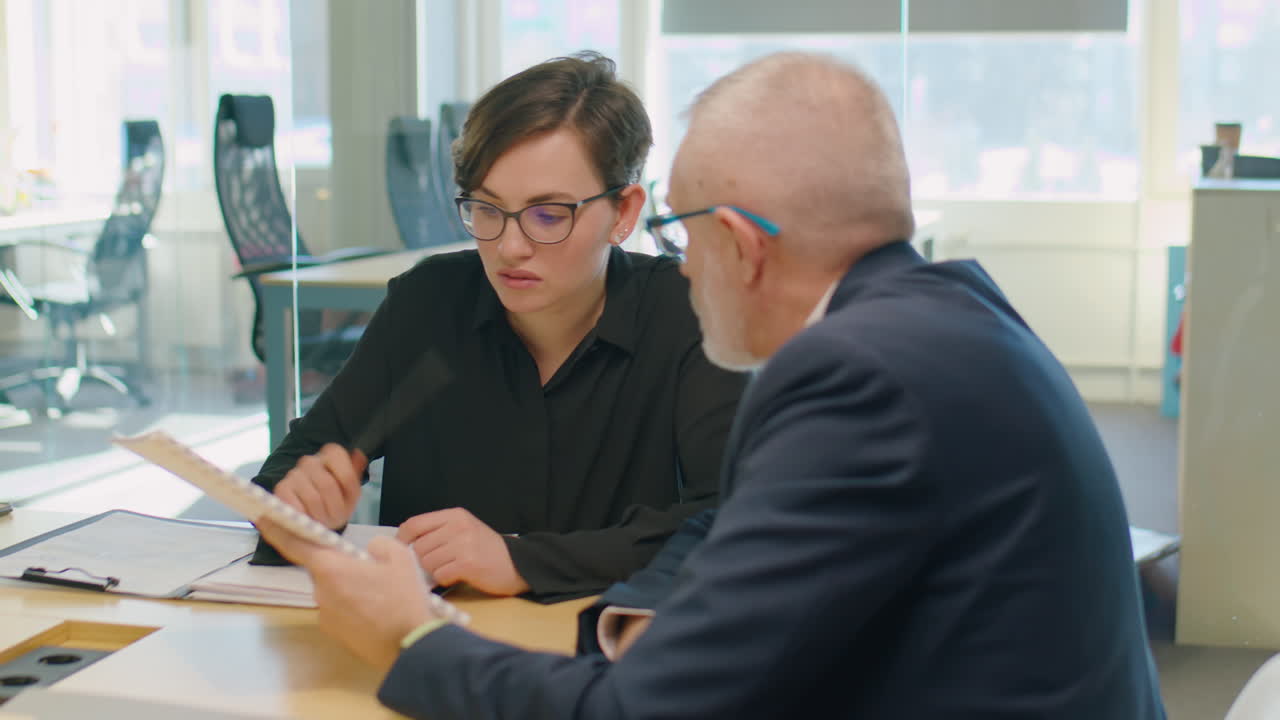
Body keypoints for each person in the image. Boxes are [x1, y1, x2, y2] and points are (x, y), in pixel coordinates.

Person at [257, 52, 1167, 719]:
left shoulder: (856, 380)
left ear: (742, 241)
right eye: (488, 211)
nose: (682, 267)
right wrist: (657, 627)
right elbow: (739, 562)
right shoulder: (950, 317)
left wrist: (410, 640)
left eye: (686, 234)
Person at [251, 52, 746, 601]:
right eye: (487, 209)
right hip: (419, 643)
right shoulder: (430, 302)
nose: (510, 247)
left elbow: (730, 519)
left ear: (624, 213)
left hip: (599, 649)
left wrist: (522, 562)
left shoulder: (683, 311)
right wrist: (298, 508)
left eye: (549, 215)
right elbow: (288, 475)